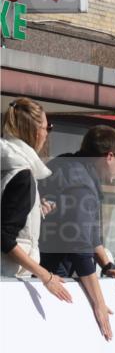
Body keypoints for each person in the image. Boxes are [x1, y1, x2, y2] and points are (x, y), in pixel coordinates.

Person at [39, 125, 115, 340]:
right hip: (52, 278)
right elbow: (80, 248)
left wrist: (108, 266)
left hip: (44, 271)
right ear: (109, 156)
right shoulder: (80, 185)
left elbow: (89, 236)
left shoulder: (68, 165)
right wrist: (99, 304)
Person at [1, 98, 72, 303]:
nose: (48, 133)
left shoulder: (8, 164)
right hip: (9, 278)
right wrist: (45, 275)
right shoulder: (22, 173)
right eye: (47, 127)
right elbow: (4, 237)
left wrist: (35, 211)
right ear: (34, 131)